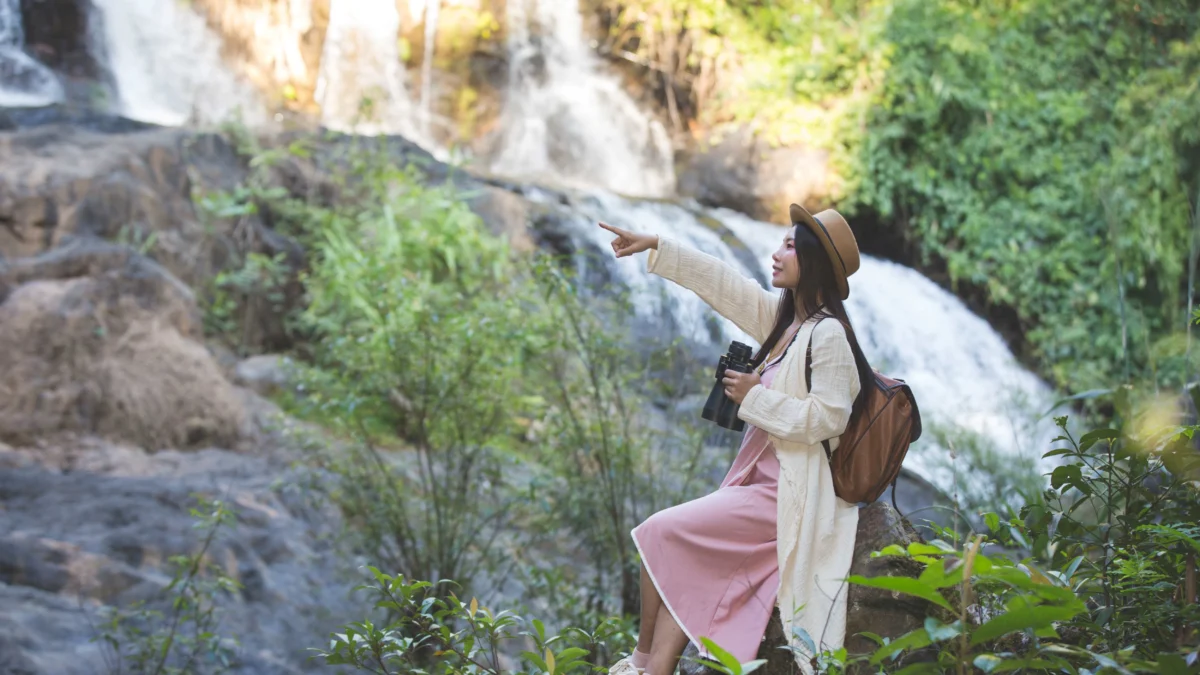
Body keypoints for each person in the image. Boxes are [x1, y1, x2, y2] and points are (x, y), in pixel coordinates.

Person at [597, 204, 875, 675]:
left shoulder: (828, 334)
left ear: (814, 263)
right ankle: (658, 666)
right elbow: (723, 283)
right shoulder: (788, 325)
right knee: (684, 556)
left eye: (789, 246)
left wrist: (753, 397)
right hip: (758, 485)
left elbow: (830, 417)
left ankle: (642, 662)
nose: (776, 253)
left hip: (789, 496)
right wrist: (658, 245)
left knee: (658, 533)